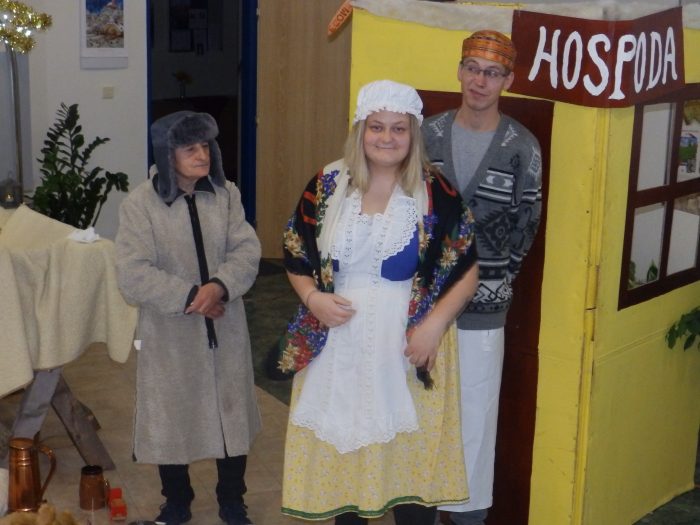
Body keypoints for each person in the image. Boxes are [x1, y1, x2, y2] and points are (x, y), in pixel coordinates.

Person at [279, 79, 479, 524]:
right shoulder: (327, 184)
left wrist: (433, 329)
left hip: (406, 345)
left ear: (413, 134)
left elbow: (467, 271)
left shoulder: (435, 193)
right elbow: (295, 250)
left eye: (398, 128)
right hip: (338, 343)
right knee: (345, 469)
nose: (387, 138)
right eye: (376, 127)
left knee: (408, 468)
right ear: (360, 130)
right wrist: (312, 298)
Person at [115, 111, 261, 525]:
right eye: (190, 149)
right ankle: (176, 500)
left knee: (231, 412)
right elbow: (133, 273)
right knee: (172, 415)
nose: (202, 155)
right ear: (167, 155)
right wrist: (194, 297)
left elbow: (246, 250)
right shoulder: (140, 205)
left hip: (226, 325)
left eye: (206, 146)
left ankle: (232, 500)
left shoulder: (226, 195)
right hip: (170, 332)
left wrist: (220, 286)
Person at [422, 30, 543, 525]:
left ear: (508, 81)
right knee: (421, 415)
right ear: (459, 71)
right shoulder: (426, 135)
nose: (479, 80)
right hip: (421, 306)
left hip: (484, 311)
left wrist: (495, 280)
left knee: (475, 417)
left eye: (492, 73)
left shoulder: (522, 147)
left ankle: (469, 517)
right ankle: (421, 511)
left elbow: (526, 224)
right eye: (472, 68)